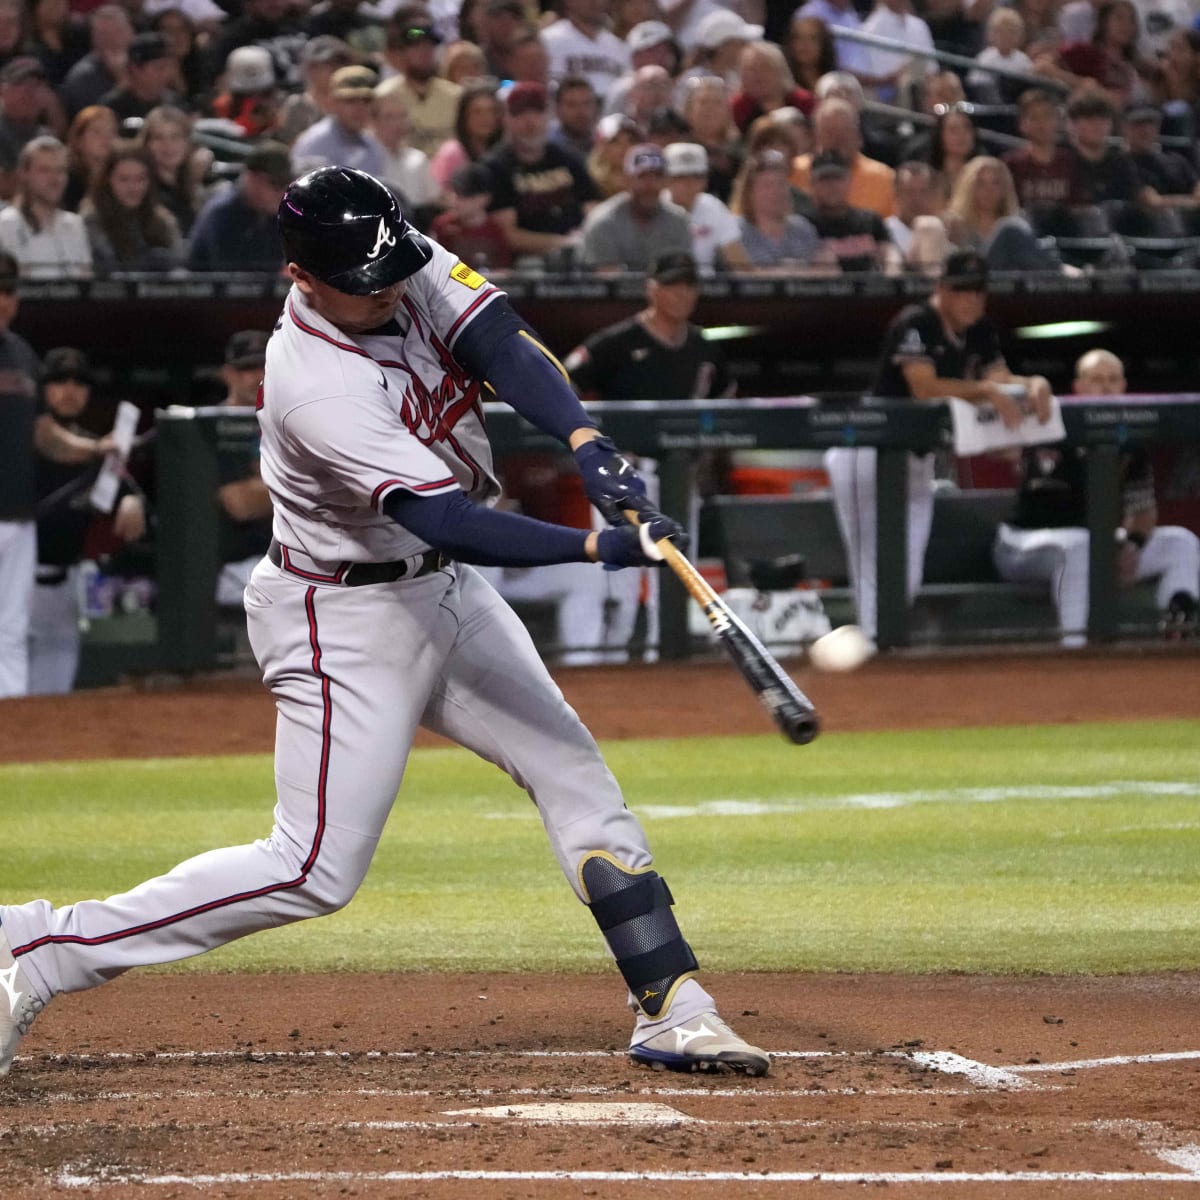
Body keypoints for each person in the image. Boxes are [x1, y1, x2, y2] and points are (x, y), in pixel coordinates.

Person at [0, 165, 771, 1082]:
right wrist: (599, 548)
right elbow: (445, 518)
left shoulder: (390, 254)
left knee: (571, 769)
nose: (390, 288)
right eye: (363, 283)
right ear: (302, 278)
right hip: (341, 615)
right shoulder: (312, 382)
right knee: (312, 869)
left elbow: (503, 342)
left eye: (394, 267)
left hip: (442, 593)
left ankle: (674, 1006)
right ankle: (36, 946)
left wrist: (586, 442)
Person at [826, 249, 1053, 644]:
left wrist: (1032, 383)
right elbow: (924, 387)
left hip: (915, 459)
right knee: (871, 561)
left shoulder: (980, 329)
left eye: (978, 292)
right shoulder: (917, 322)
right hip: (867, 452)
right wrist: (986, 390)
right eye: (962, 291)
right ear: (942, 290)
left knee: (908, 564)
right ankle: (876, 650)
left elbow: (1001, 377)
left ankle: (883, 642)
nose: (971, 300)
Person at [561, 249, 734, 658]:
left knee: (672, 577)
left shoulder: (705, 348)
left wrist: (706, 463)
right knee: (616, 582)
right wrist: (589, 445)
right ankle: (608, 664)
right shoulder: (616, 343)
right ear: (651, 289)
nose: (682, 294)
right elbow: (562, 383)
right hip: (623, 477)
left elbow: (723, 408)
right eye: (672, 285)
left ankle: (665, 661)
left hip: (679, 476)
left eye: (689, 286)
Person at [994, 348, 1200, 647]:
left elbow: (1143, 509)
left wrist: (1132, 545)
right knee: (1079, 545)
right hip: (1023, 544)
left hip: (1095, 544)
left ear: (1124, 387)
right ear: (1078, 387)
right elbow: (1034, 488)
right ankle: (1076, 650)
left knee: (1181, 542)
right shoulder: (1048, 424)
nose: (1106, 387)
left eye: (1113, 380)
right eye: (1096, 379)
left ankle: (1179, 634)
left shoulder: (1130, 442)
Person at [28, 346, 147, 694]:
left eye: (79, 383)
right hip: (12, 582)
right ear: (41, 388)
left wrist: (131, 500)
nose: (70, 390)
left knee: (54, 697)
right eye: (59, 381)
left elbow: (129, 492)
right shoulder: (18, 440)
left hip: (64, 586)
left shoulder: (99, 450)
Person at [482, 80, 600, 264]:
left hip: (579, 253)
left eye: (537, 113)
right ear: (506, 119)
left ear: (549, 116)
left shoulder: (569, 158)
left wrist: (586, 235)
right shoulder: (495, 167)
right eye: (519, 114)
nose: (530, 122)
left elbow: (593, 210)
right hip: (526, 262)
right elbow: (508, 234)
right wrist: (564, 242)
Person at [213, 330, 274, 609]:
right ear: (229, 374)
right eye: (248, 368)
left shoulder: (292, 423)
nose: (258, 375)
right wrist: (306, 484)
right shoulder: (211, 428)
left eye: (265, 364)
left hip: (292, 568)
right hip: (232, 573)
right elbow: (240, 504)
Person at [578, 141, 691, 271]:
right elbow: (606, 277)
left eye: (657, 176)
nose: (650, 185)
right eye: (642, 177)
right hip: (614, 291)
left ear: (666, 181)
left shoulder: (678, 221)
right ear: (627, 180)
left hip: (666, 290)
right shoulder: (603, 221)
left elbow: (681, 274)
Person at [187, 141, 291, 272]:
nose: (282, 193)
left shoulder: (276, 215)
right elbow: (230, 274)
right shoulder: (222, 213)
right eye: (275, 185)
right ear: (251, 178)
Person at [81, 142, 184, 274]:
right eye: (124, 179)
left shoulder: (163, 220)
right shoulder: (92, 221)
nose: (133, 188)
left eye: (140, 179)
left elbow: (180, 269)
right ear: (107, 180)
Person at [0, 135, 92, 278]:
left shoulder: (75, 225)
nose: (55, 179)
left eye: (61, 170)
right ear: (24, 174)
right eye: (45, 170)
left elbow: (86, 282)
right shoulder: (6, 225)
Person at [661, 140, 749, 271]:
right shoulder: (656, 206)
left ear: (706, 179)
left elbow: (741, 266)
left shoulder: (713, 207)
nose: (688, 183)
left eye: (696, 176)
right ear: (665, 178)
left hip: (706, 287)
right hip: (663, 285)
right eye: (680, 177)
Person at [292, 64, 387, 177]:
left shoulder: (373, 144)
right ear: (333, 103)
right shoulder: (315, 143)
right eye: (350, 101)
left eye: (366, 101)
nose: (360, 108)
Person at [428, 160, 512, 269]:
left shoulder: (496, 229)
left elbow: (504, 268)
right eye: (455, 194)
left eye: (465, 196)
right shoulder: (442, 226)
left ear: (485, 198)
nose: (456, 201)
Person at [97, 30, 181, 123]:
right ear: (135, 69)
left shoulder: (174, 103)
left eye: (170, 67)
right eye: (160, 68)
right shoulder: (111, 109)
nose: (167, 73)